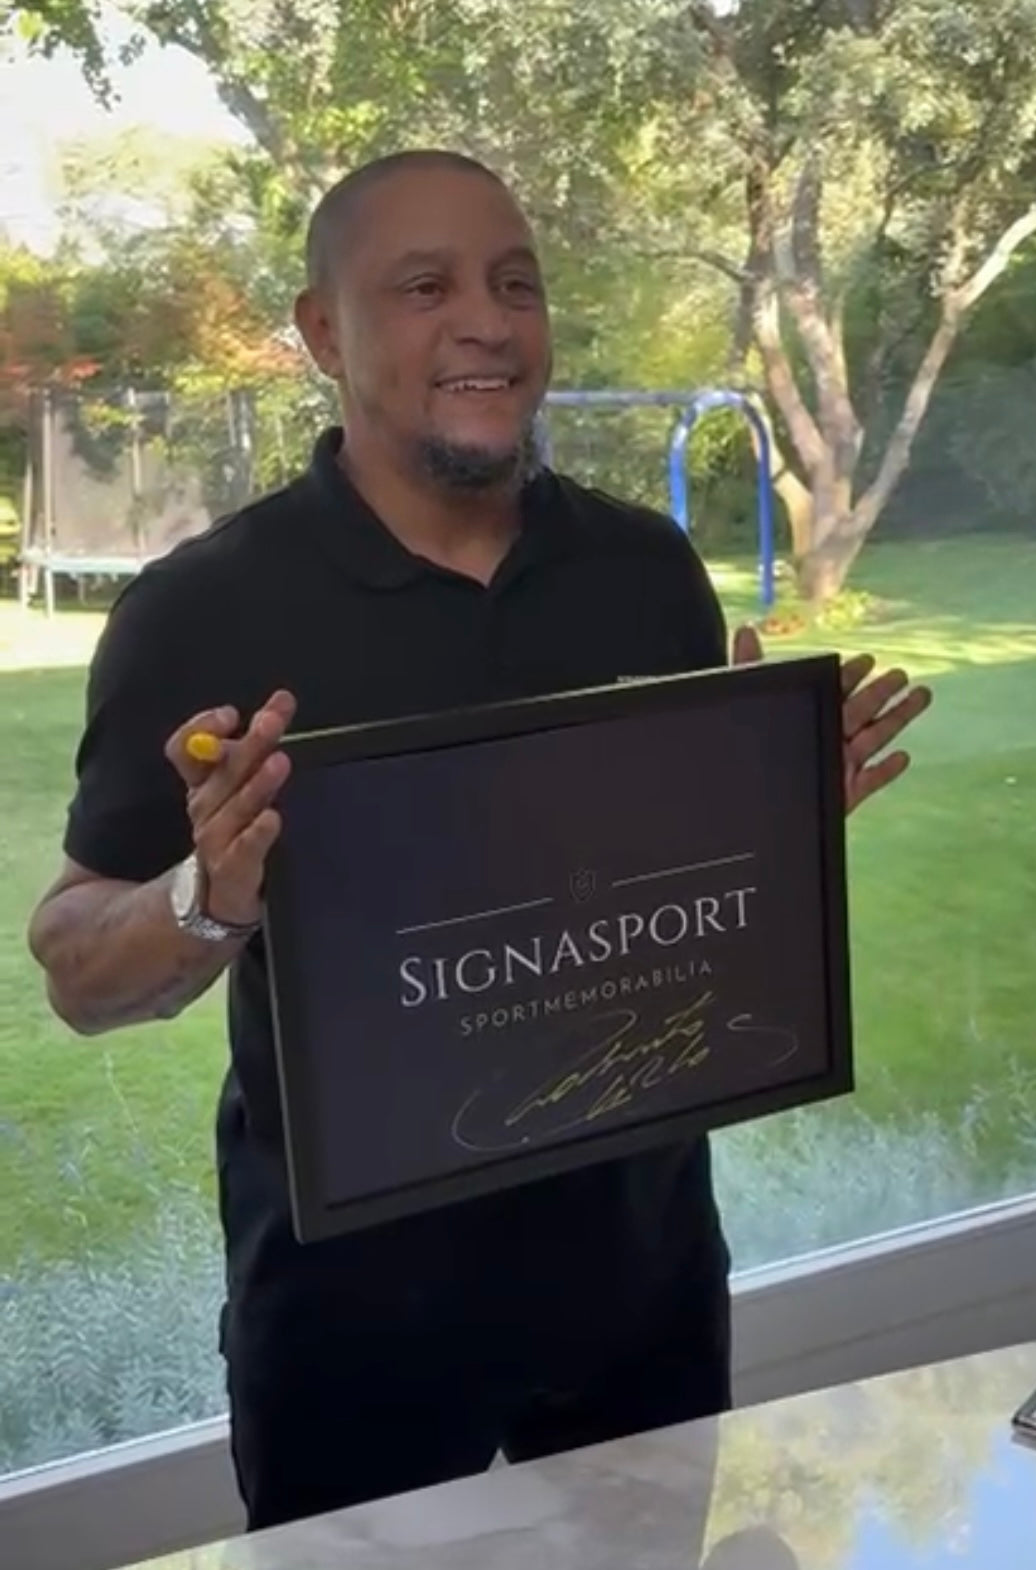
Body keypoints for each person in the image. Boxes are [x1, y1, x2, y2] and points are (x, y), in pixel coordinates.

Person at [27, 149, 932, 1533]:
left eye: (517, 284)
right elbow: (78, 969)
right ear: (324, 332)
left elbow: (648, 899)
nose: (488, 323)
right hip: (352, 1338)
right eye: (424, 287)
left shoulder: (645, 575)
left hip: (645, 1300)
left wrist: (763, 825)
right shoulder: (202, 612)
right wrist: (211, 890)